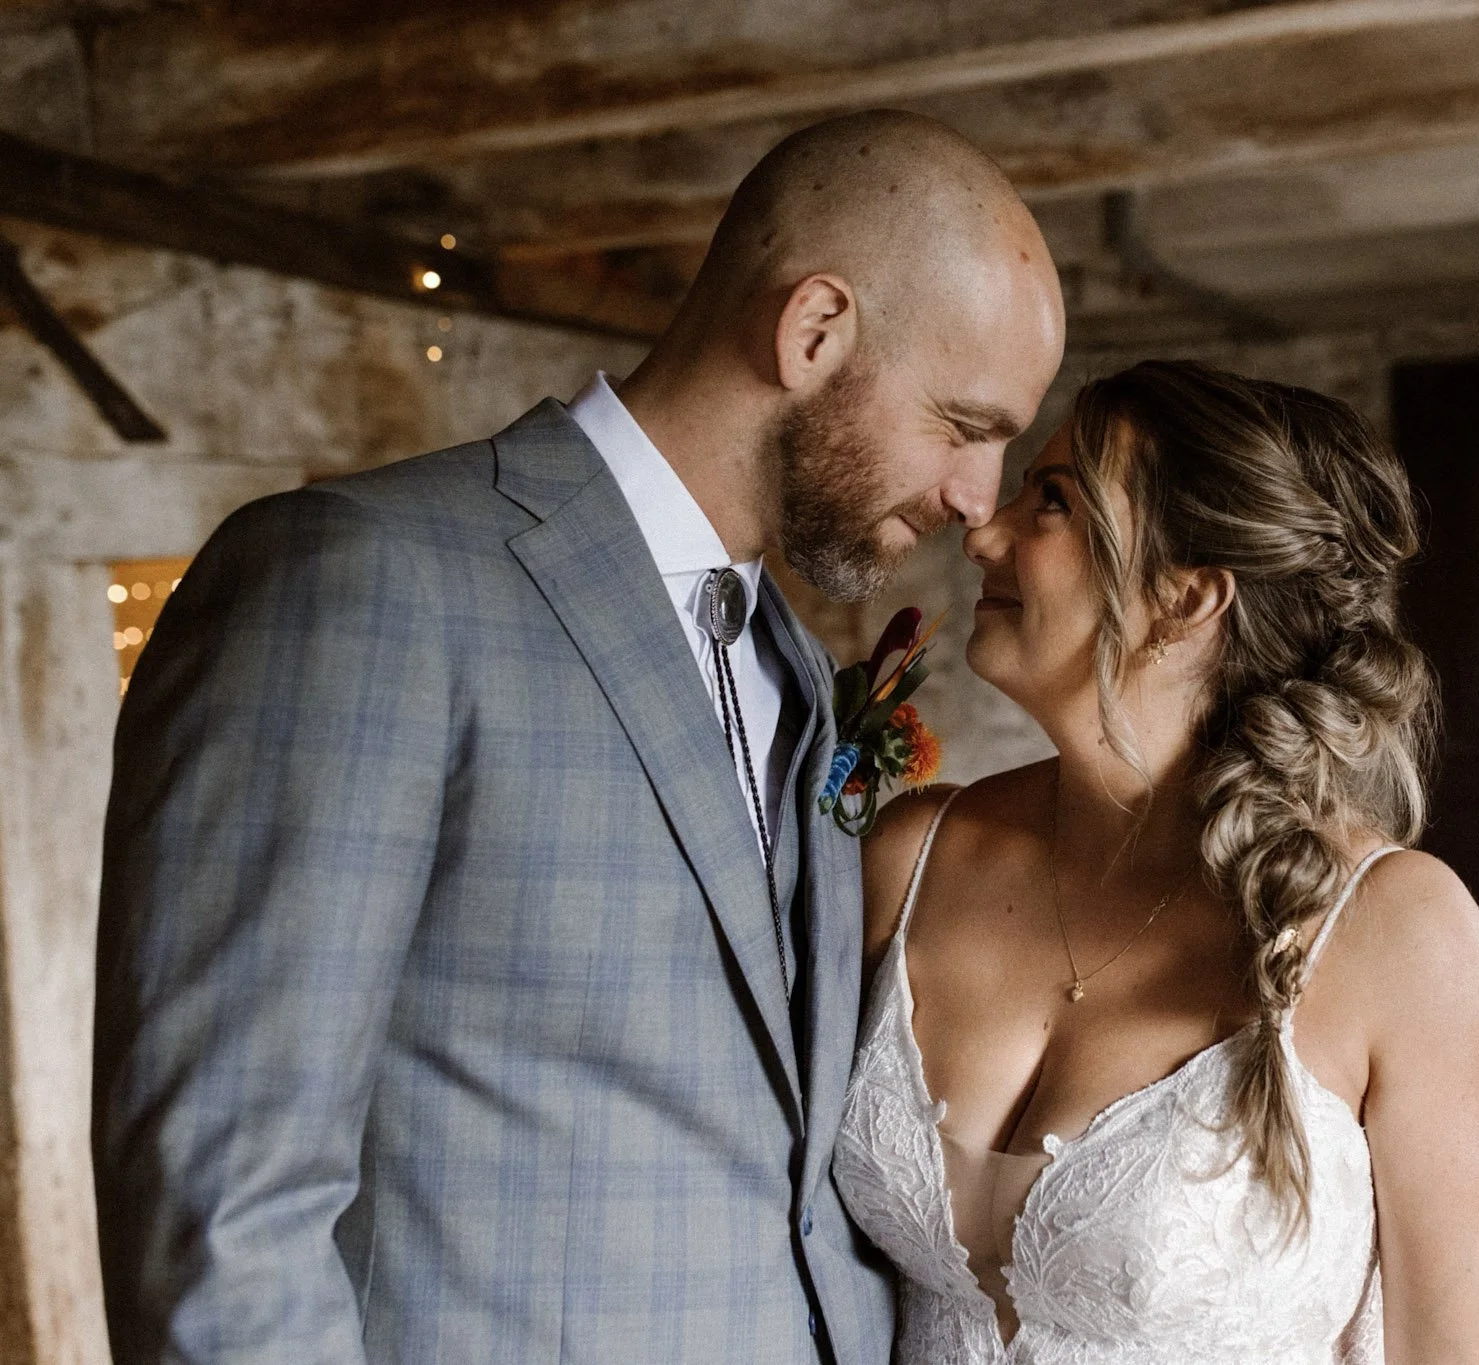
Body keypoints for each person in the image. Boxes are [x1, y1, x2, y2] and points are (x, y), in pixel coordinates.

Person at [92, 110, 1064, 1364]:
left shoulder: (804, 674)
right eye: (966, 425)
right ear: (812, 330)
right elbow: (221, 1213)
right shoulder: (361, 580)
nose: (975, 501)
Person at [835, 361, 1479, 1363]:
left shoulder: (1400, 937)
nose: (983, 532)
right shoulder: (911, 858)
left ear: (1188, 597)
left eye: (1051, 500)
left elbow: (1471, 1352)